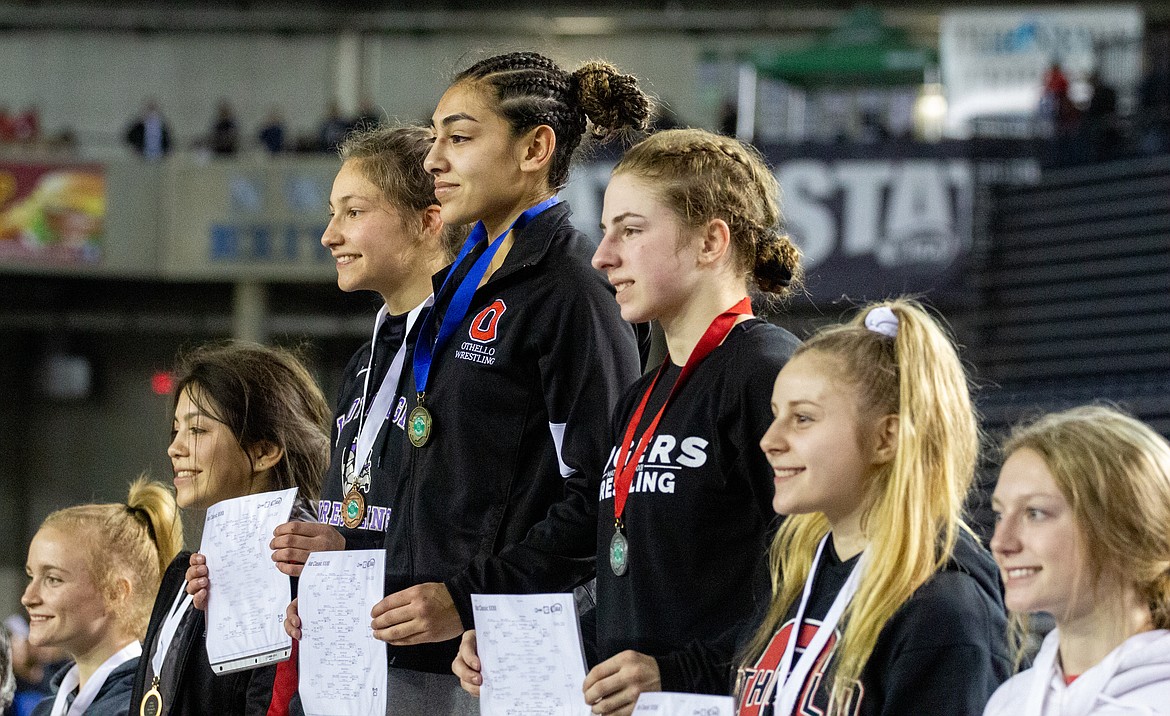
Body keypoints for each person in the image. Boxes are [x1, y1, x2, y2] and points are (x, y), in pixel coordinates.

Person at [305, 50, 649, 711]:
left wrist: (468, 596)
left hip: (521, 650)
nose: (434, 159)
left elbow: (602, 497)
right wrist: (354, 580)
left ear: (534, 149)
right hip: (448, 650)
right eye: (435, 138)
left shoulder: (571, 291)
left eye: (459, 138)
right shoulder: (464, 289)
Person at [451, 127, 803, 713]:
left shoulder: (769, 375)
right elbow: (631, 599)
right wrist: (517, 644)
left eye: (631, 230)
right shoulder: (641, 396)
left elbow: (813, 586)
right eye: (606, 228)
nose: (602, 254)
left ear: (710, 242)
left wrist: (683, 673)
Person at [739, 298, 1010, 715]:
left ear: (886, 438)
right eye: (776, 415)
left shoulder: (944, 611)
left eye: (803, 419)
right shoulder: (797, 577)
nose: (770, 440)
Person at [264, 123, 463, 575]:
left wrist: (349, 555)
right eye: (333, 213)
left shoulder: (470, 353)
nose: (329, 235)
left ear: (428, 221)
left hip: (441, 639)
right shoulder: (363, 364)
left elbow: (472, 529)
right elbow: (347, 527)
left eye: (353, 212)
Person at [129, 342, 330, 716]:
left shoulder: (299, 574)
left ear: (263, 450)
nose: (175, 448)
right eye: (176, 430)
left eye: (198, 431)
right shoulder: (181, 577)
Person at [984, 406, 1170, 714]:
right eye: (1000, 514)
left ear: (1125, 527)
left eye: (1035, 513)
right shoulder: (1008, 703)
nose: (1001, 543)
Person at [22, 478, 183, 716]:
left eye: (53, 579)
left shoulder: (144, 707)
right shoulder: (46, 709)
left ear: (116, 593)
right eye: (31, 576)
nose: (28, 597)